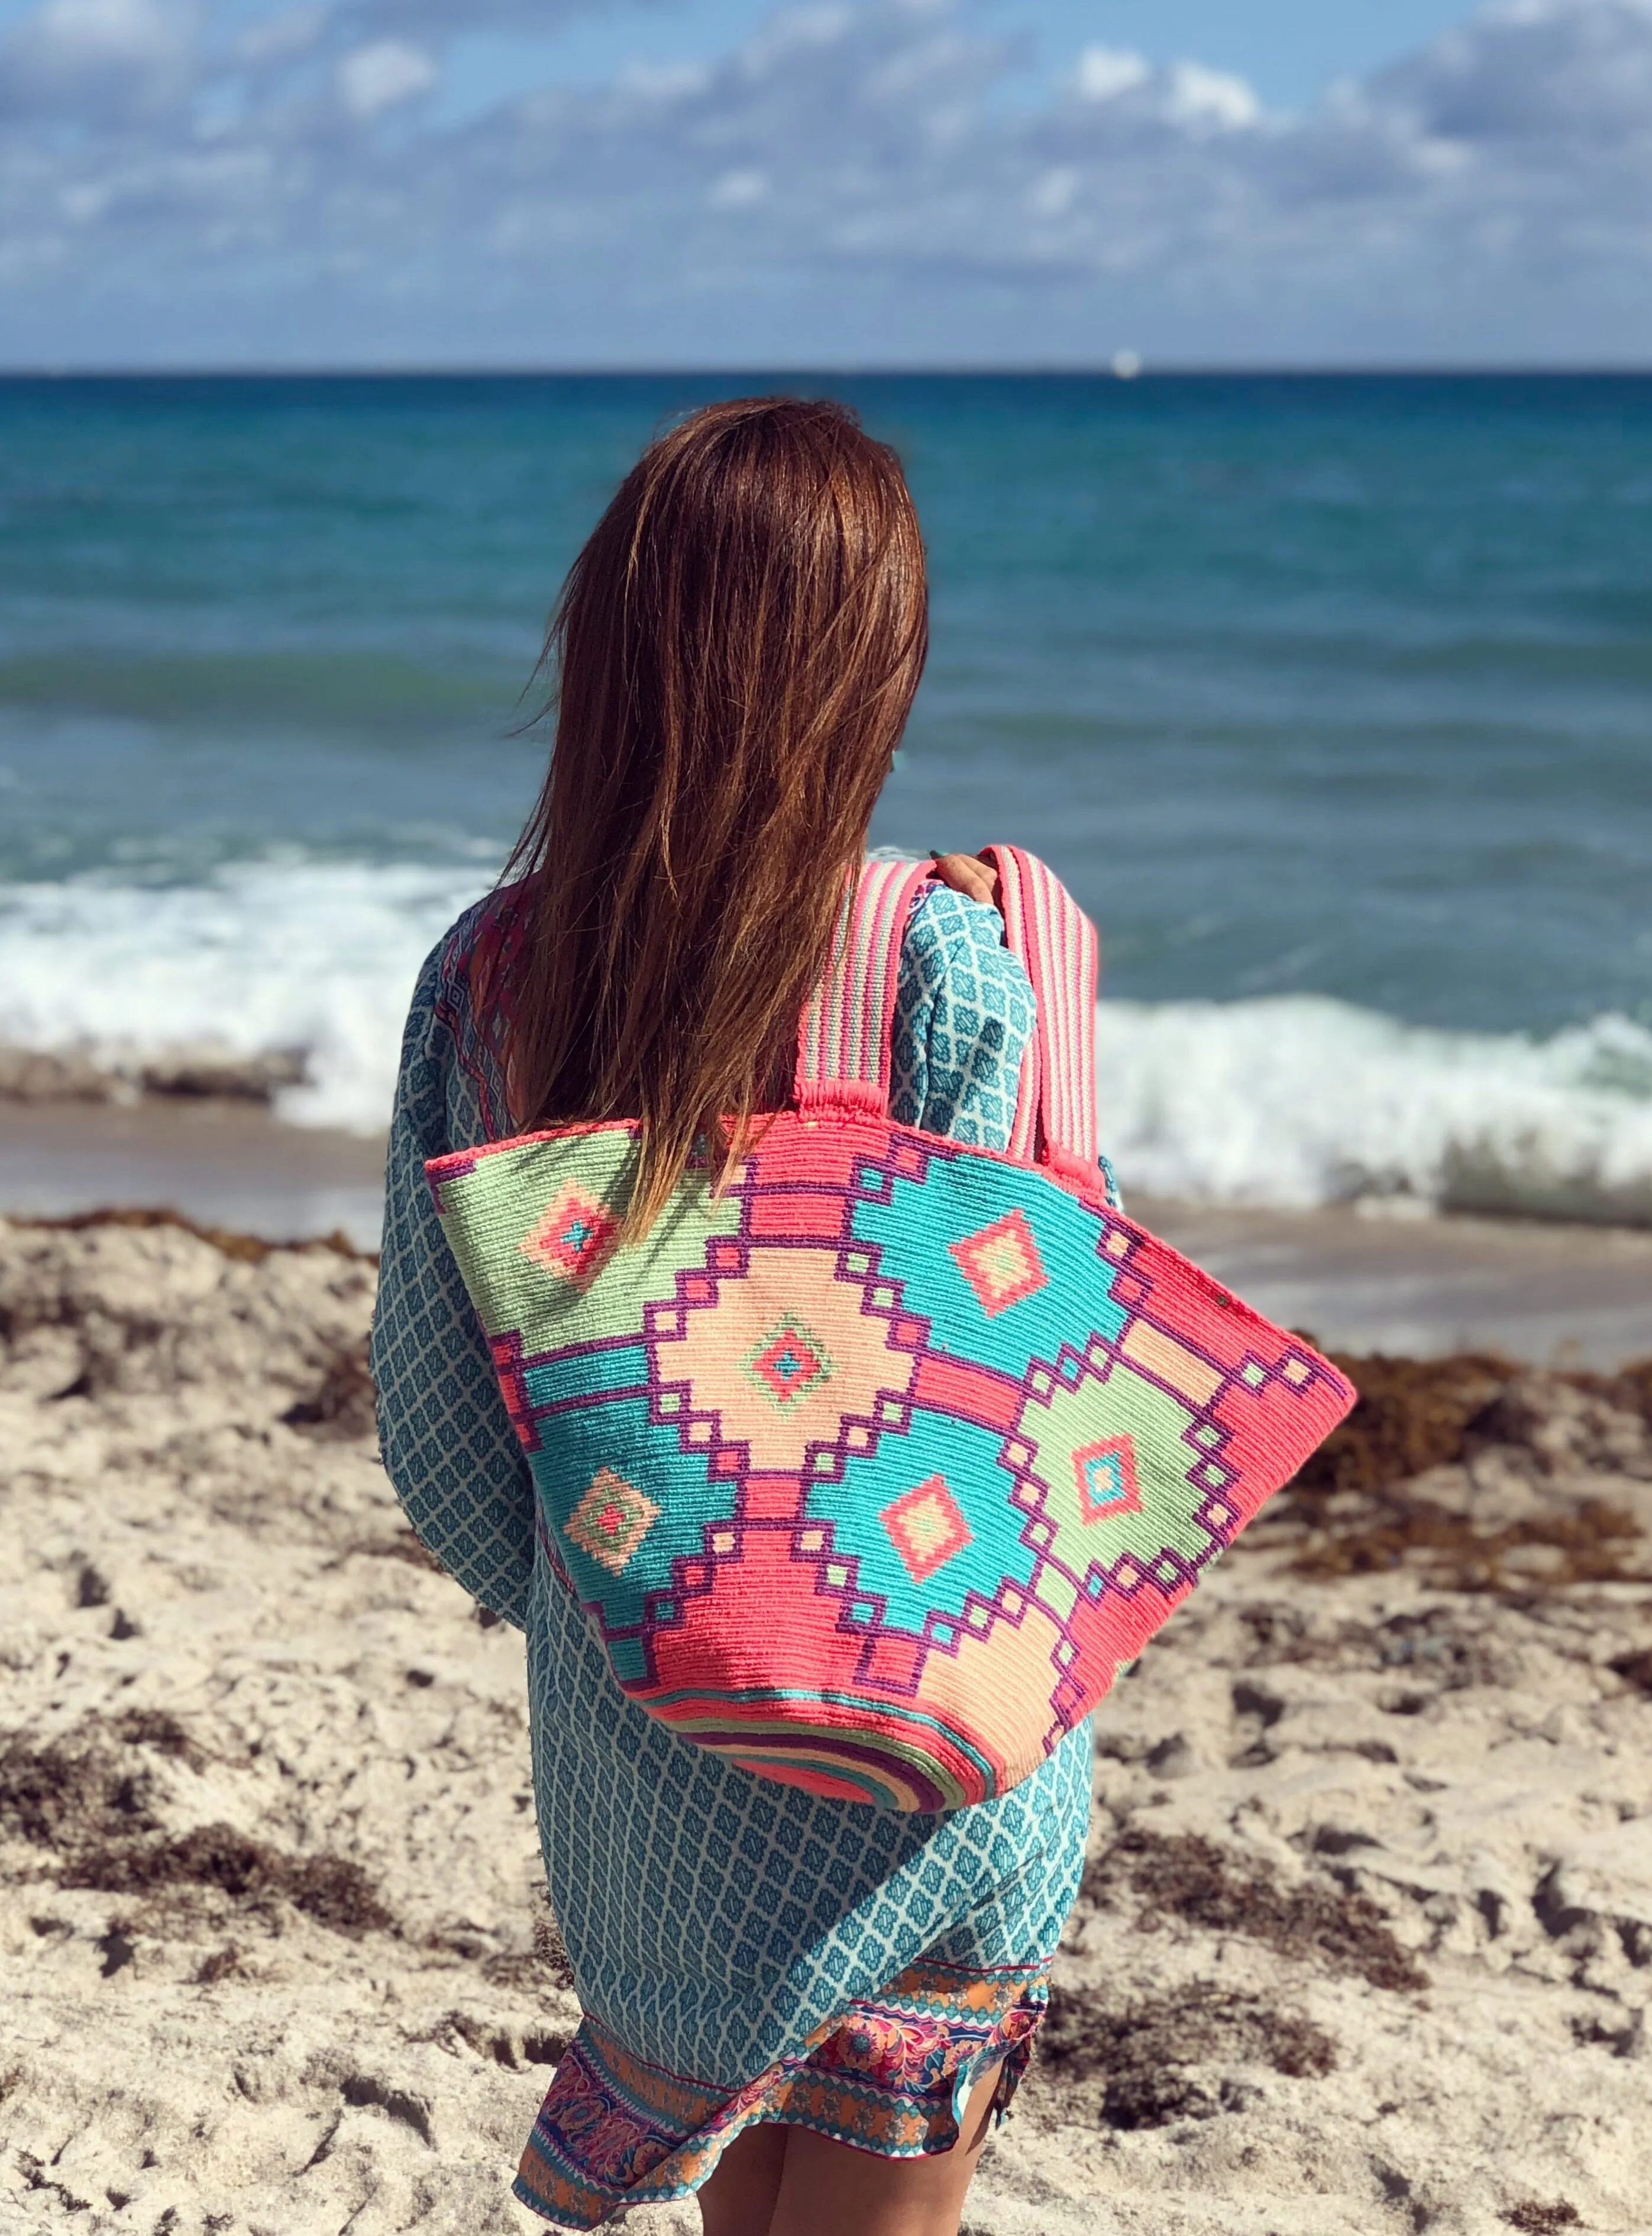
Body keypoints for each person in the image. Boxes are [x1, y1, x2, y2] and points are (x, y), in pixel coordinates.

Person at [371, 398, 1098, 2235]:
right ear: (876, 674)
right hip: (937, 1763)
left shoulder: (491, 983)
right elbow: (1062, 1417)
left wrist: (643, 1605)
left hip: (653, 1780)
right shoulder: (947, 962)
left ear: (613, 649)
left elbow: (446, 1447)